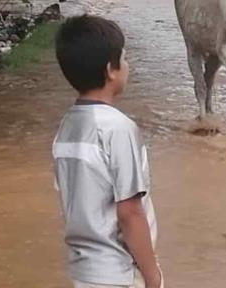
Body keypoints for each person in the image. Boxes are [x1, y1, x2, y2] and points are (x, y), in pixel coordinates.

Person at [52, 15, 163, 288]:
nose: (128, 65)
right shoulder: (118, 129)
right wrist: (153, 277)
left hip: (85, 272)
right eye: (124, 58)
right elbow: (130, 212)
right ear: (111, 70)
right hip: (121, 273)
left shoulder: (67, 126)